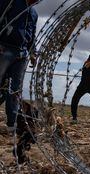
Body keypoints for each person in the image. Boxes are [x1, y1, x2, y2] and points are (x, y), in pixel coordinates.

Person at [0, 0, 38, 133]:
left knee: (15, 90)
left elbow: (32, 35)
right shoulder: (10, 2)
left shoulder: (34, 12)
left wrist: (32, 53)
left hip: (22, 54)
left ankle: (12, 123)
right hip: (4, 49)